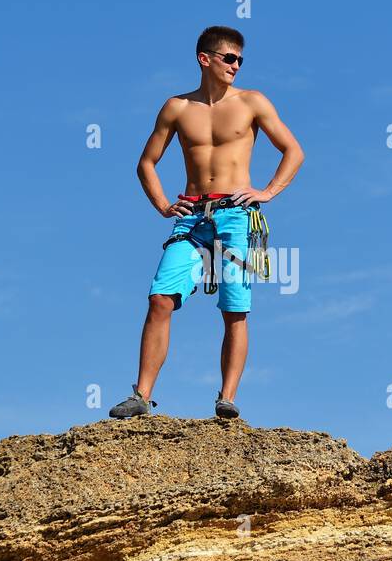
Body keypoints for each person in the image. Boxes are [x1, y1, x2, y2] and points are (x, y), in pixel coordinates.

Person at [109, 25, 304, 421]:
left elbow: (293, 151)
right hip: (192, 215)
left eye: (240, 60)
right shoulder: (177, 107)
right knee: (160, 298)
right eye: (229, 58)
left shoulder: (252, 102)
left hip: (235, 213)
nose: (236, 66)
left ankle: (226, 398)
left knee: (234, 308)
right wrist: (164, 204)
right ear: (206, 59)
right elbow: (146, 163)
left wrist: (266, 191)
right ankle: (142, 396)